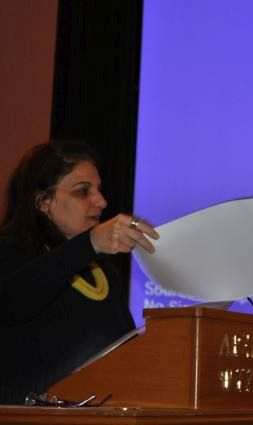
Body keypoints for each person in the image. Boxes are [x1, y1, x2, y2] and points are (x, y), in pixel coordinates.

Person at [0, 141, 159, 404]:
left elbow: (125, 352)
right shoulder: (11, 252)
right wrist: (91, 243)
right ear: (44, 202)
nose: (101, 202)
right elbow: (13, 302)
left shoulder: (103, 271)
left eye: (98, 190)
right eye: (83, 191)